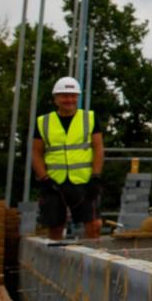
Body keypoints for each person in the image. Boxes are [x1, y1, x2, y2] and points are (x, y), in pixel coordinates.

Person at [32, 76, 104, 240]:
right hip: (54, 183)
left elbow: (98, 148)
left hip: (84, 181)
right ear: (56, 98)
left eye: (73, 96)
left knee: (94, 225)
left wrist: (96, 176)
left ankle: (91, 262)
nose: (69, 100)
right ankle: (56, 262)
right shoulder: (44, 121)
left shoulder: (89, 118)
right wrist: (44, 178)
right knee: (55, 228)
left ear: (78, 97)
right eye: (64, 96)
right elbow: (36, 152)